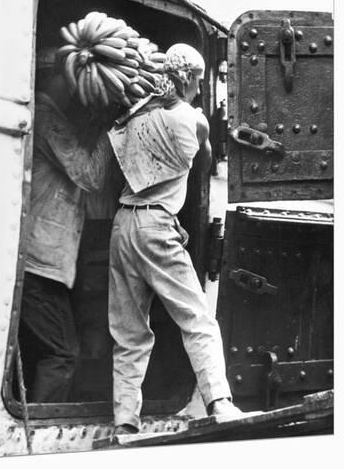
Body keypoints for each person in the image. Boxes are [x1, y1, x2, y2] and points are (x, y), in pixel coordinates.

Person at [107, 43, 242, 435]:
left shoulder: (133, 116)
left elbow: (145, 175)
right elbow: (208, 155)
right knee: (197, 318)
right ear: (186, 78)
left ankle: (125, 421)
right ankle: (220, 402)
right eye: (199, 80)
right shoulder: (193, 119)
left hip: (123, 223)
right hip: (155, 229)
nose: (200, 89)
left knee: (129, 333)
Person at [18, 47, 114, 403]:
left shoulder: (50, 120)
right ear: (56, 78)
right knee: (62, 354)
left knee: (53, 351)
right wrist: (111, 127)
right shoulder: (45, 117)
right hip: (38, 266)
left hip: (48, 265)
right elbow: (89, 173)